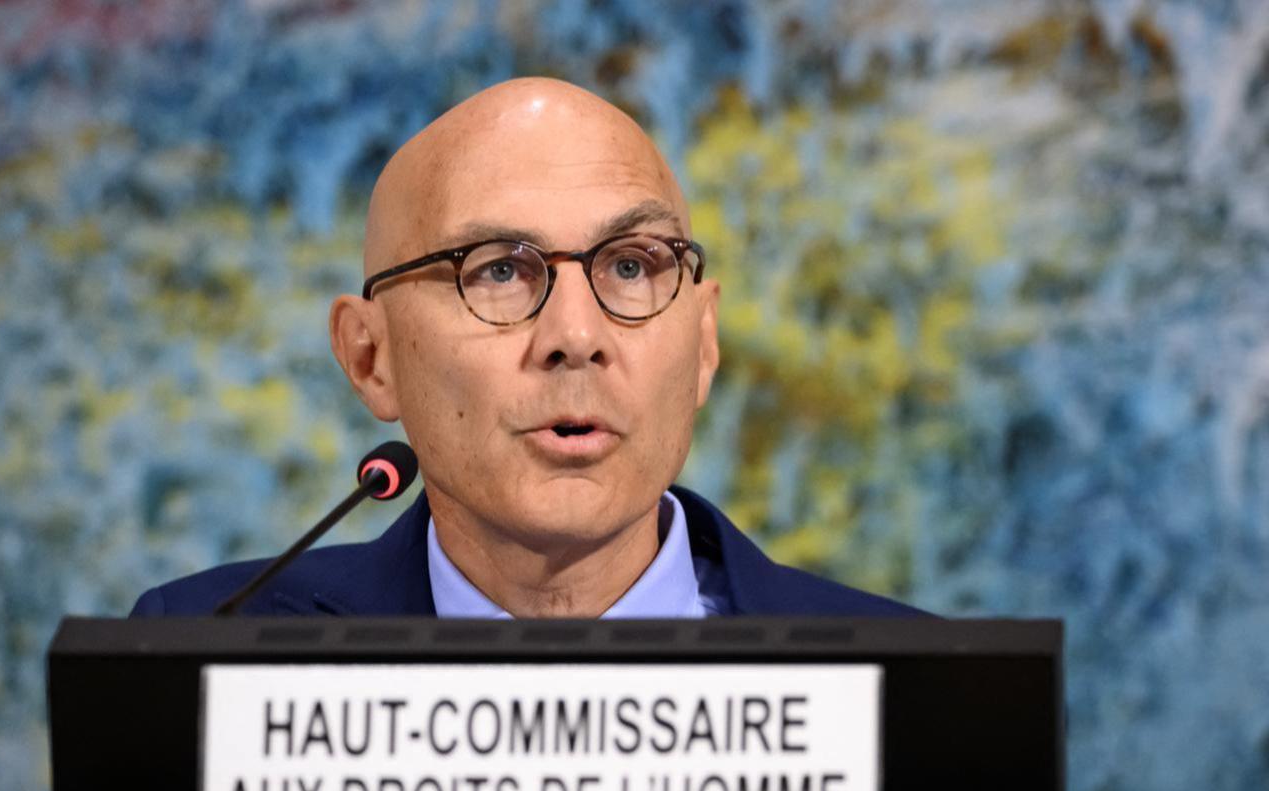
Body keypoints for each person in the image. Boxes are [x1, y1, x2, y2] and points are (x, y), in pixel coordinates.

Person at [130, 77, 922, 620]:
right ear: (371, 358)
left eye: (630, 265)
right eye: (500, 271)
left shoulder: (920, 704)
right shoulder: (206, 661)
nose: (576, 338)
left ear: (704, 341)